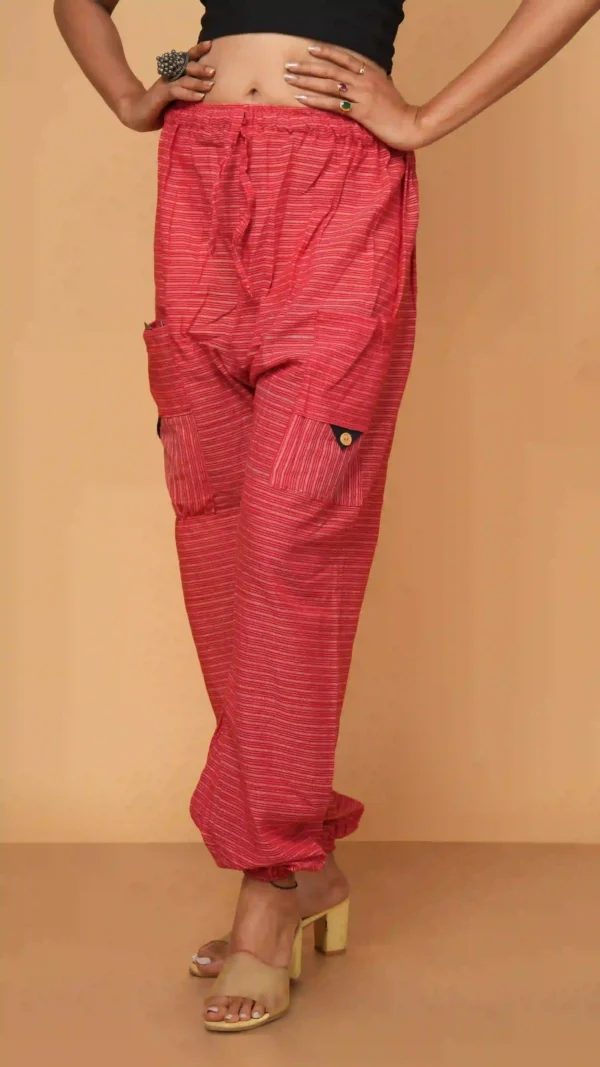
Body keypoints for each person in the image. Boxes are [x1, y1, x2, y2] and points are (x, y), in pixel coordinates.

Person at [54, 0, 599, 1034]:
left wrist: (425, 117)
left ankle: (271, 885)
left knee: (289, 542)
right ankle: (304, 864)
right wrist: (130, 93)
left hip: (339, 191)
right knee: (217, 538)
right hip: (200, 177)